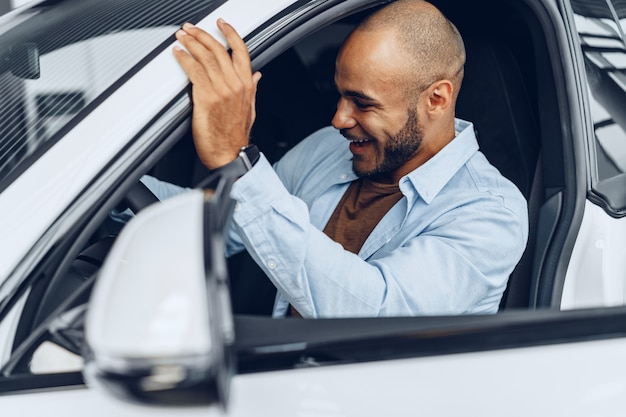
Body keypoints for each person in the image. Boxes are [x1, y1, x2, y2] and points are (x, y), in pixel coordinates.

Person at [166, 0, 528, 318]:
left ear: (436, 99)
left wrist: (239, 162)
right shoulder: (327, 148)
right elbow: (226, 222)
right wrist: (119, 193)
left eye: (363, 103)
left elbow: (375, 311)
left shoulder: (491, 213)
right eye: (339, 95)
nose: (339, 119)